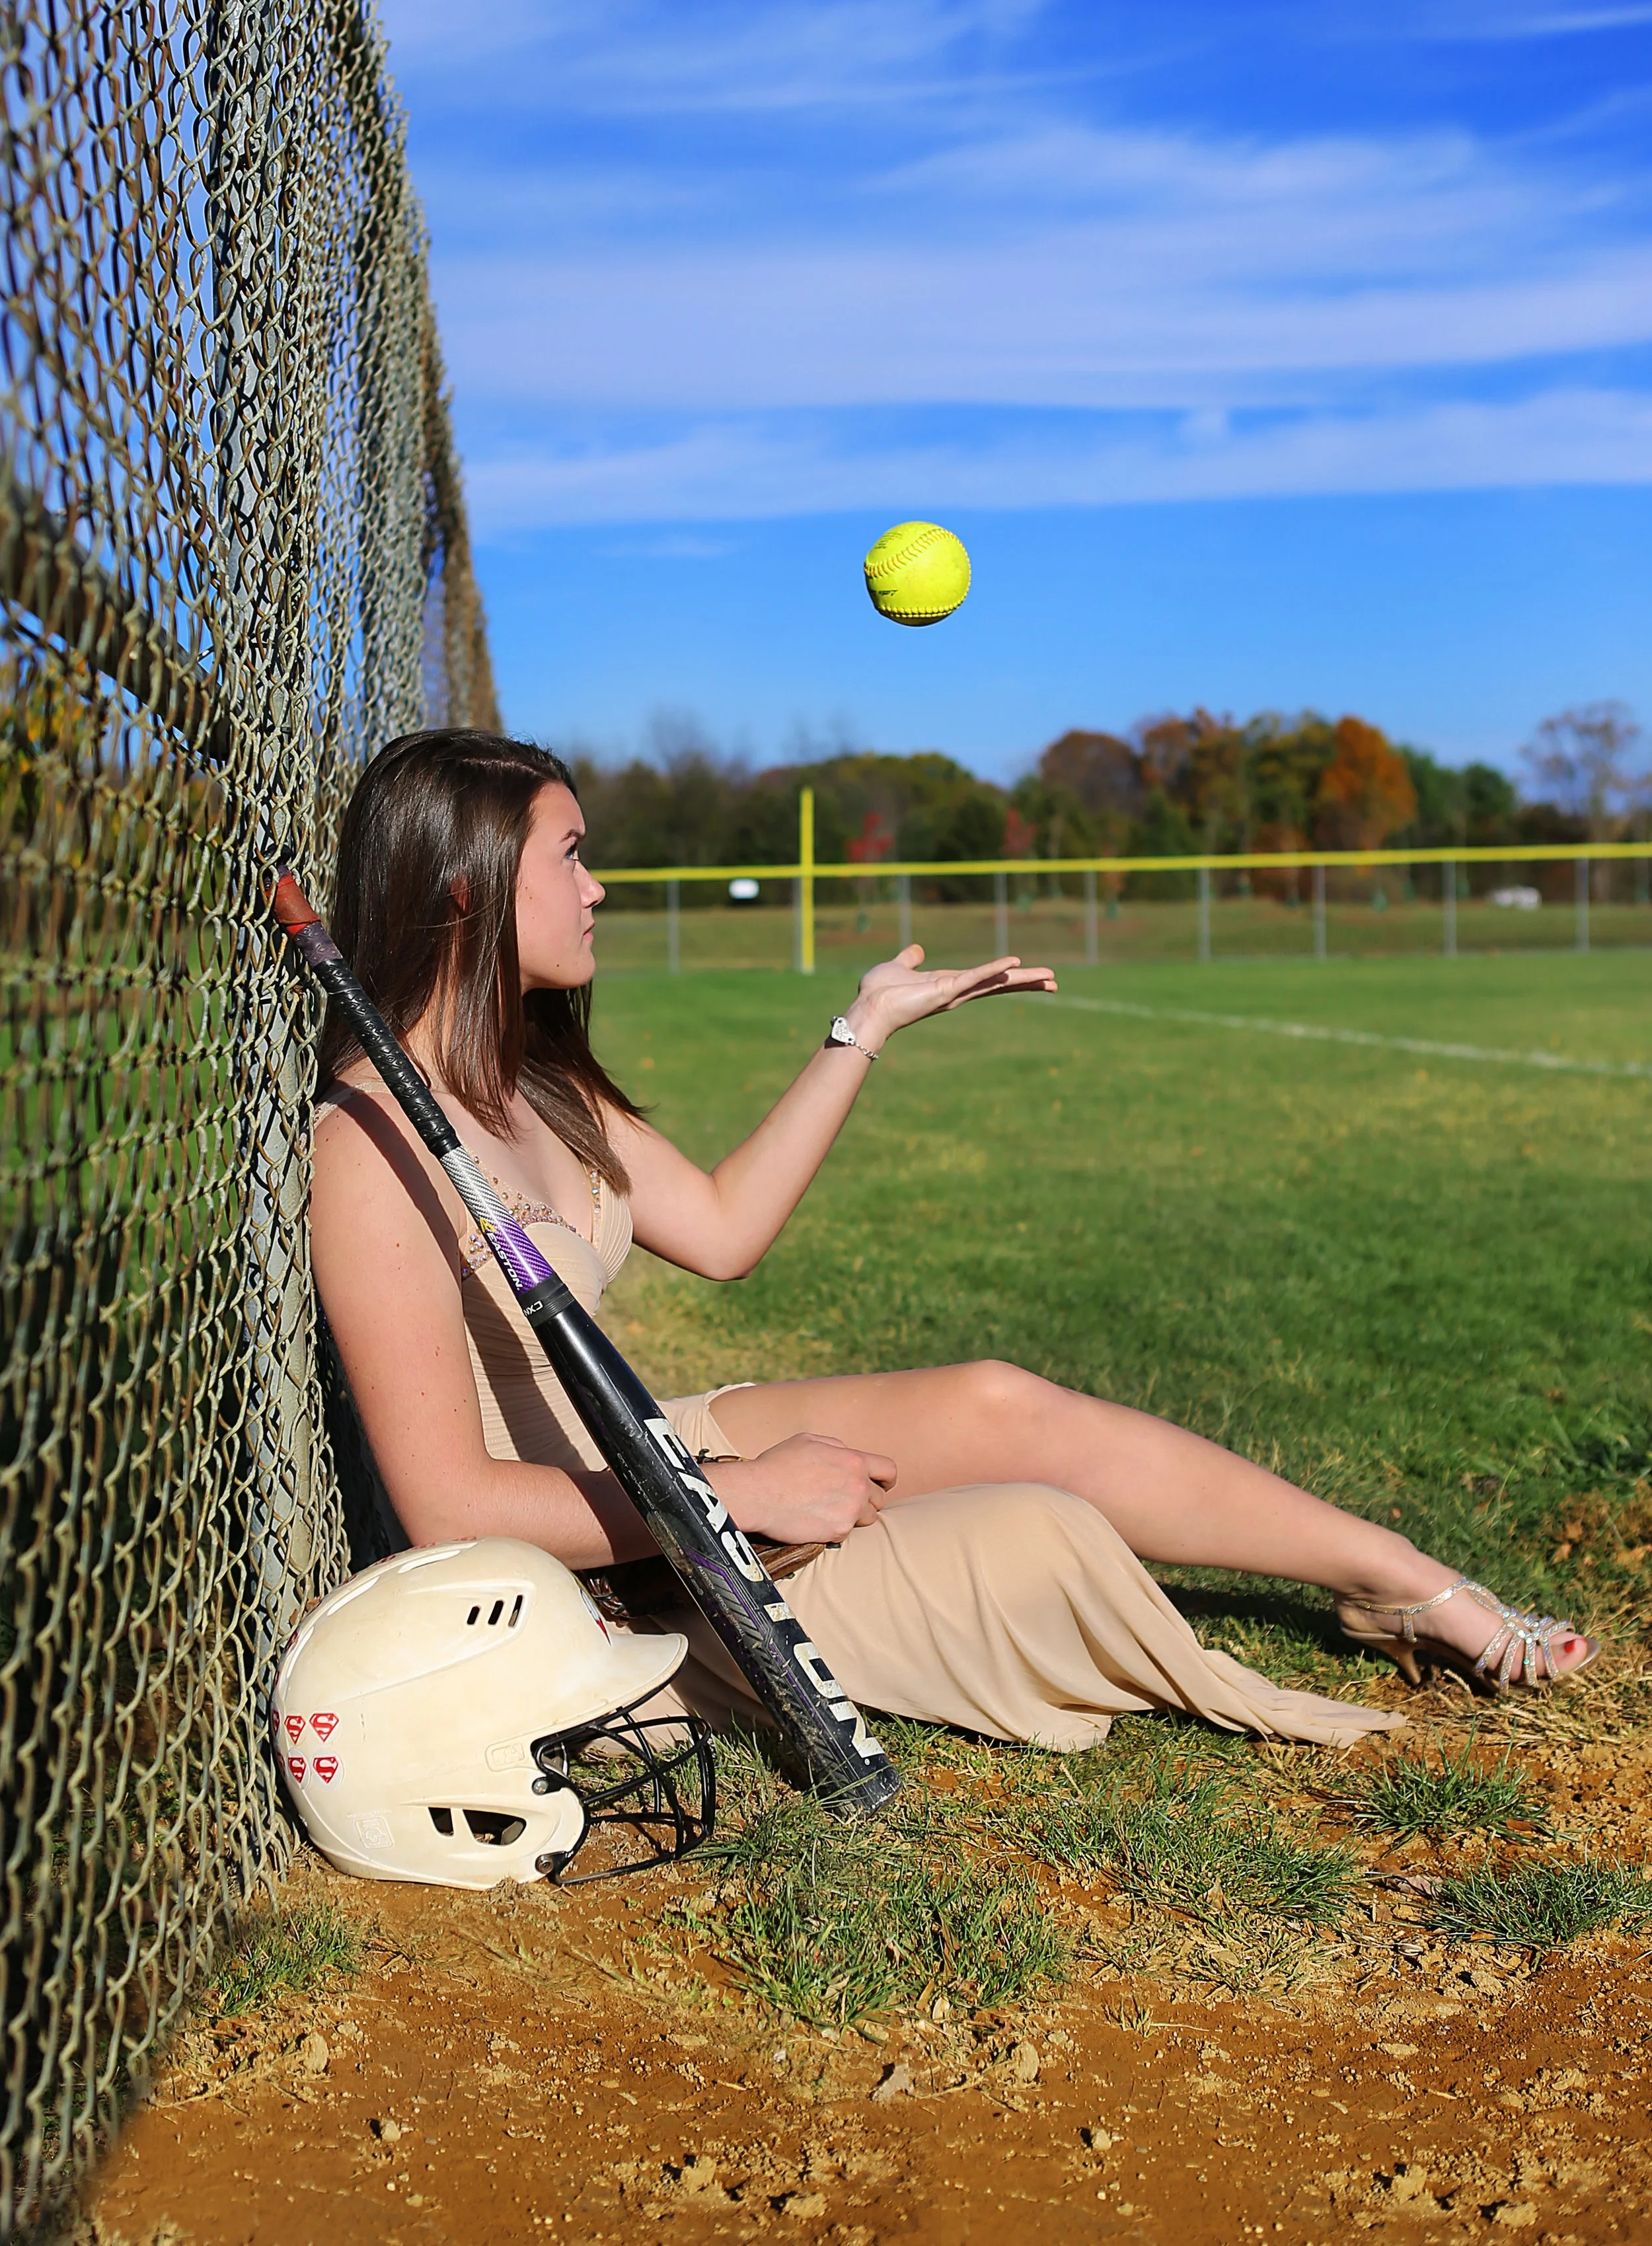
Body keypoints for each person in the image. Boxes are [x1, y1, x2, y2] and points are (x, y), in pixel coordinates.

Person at [310, 730, 1596, 1758]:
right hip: (596, 1572)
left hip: (656, 1449)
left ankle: (1396, 1579)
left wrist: (860, 1026)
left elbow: (720, 1230)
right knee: (1033, 1533)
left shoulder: (532, 1078)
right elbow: (447, 1504)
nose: (598, 887)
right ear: (469, 883)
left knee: (997, 1402)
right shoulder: (369, 1140)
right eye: (571, 855)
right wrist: (733, 1497)